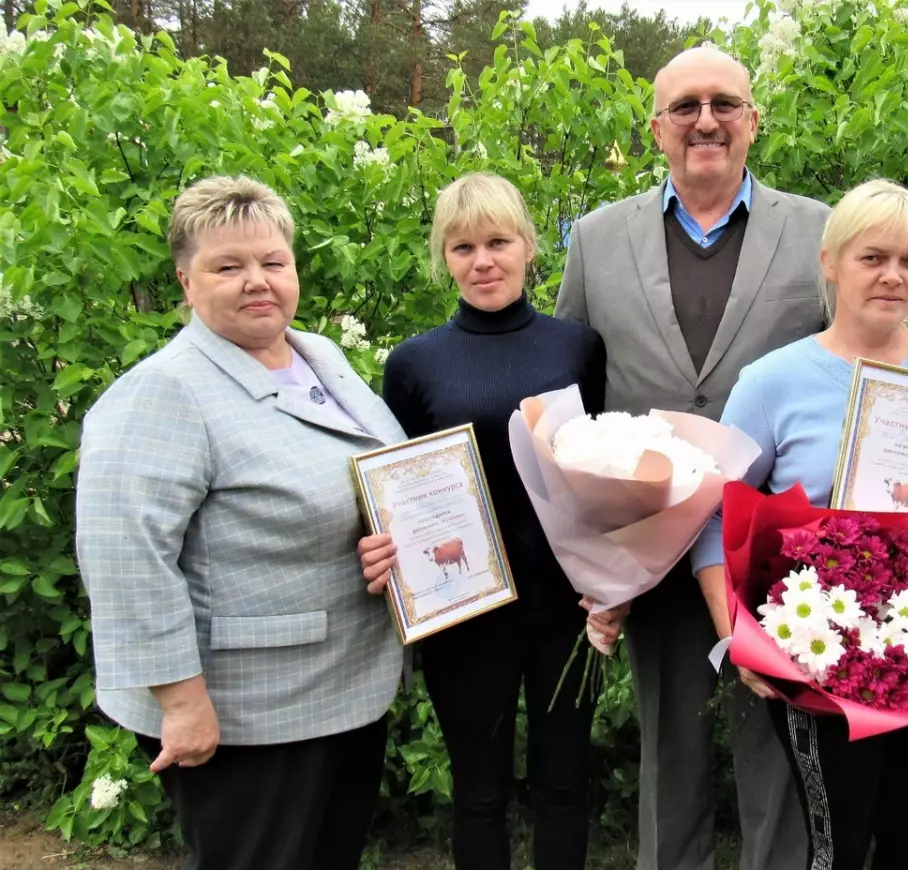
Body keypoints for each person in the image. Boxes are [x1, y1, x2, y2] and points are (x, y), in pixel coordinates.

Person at [691, 178, 908, 869]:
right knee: (836, 845)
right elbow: (713, 520)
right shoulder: (771, 380)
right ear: (830, 261)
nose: (893, 277)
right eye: (873, 258)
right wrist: (741, 639)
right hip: (823, 655)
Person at [75, 176, 407, 870]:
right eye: (229, 266)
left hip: (342, 689)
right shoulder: (167, 391)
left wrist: (383, 540)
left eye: (273, 262)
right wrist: (181, 701)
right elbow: (124, 554)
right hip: (246, 712)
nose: (257, 281)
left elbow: (357, 478)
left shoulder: (320, 356)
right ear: (185, 281)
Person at [555, 44, 826, 870]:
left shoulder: (820, 230)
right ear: (656, 129)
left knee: (776, 731)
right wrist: (591, 538)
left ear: (753, 121)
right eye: (685, 106)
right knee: (667, 740)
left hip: (776, 538)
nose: (705, 120)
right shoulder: (597, 239)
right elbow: (575, 380)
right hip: (651, 536)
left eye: (724, 103)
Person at [356, 172, 609, 870]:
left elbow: (600, 470)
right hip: (464, 610)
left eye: (498, 241)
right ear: (445, 258)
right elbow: (397, 489)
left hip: (565, 606)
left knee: (563, 785)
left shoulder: (578, 348)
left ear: (529, 247)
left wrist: (612, 580)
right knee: (478, 792)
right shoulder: (414, 363)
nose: (483, 260)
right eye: (463, 246)